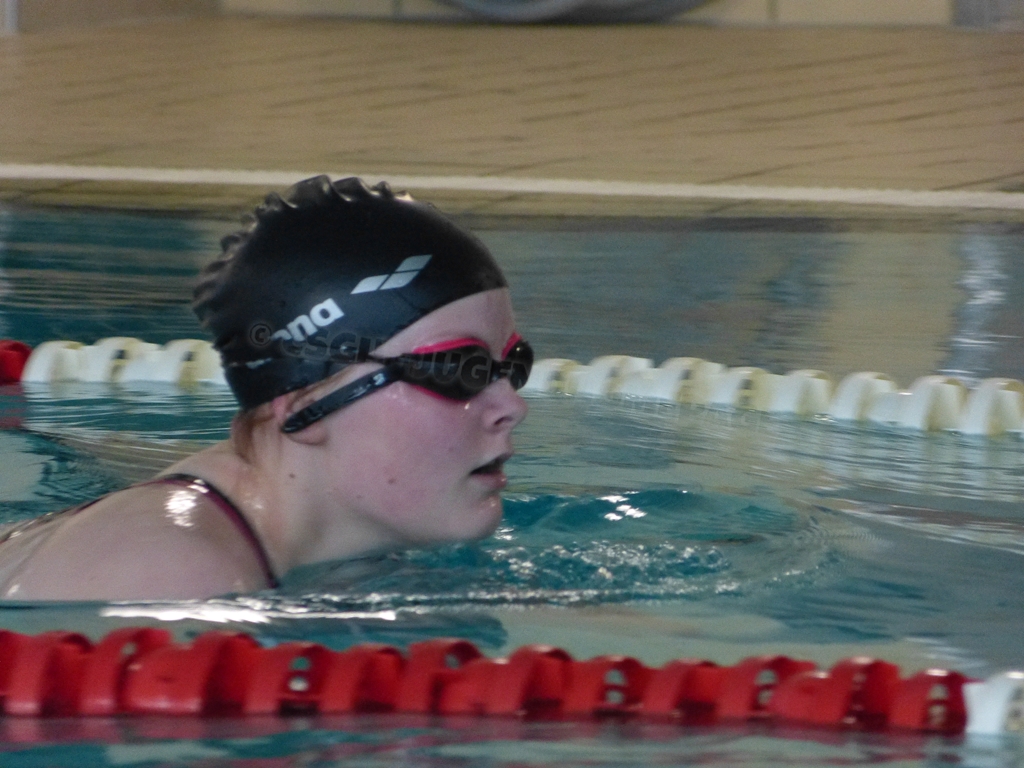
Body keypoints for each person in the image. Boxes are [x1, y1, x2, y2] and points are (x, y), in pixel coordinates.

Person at [0, 176, 531, 601]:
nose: (511, 405)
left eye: (513, 365)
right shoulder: (170, 571)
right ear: (304, 405)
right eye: (455, 369)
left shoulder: (347, 547)